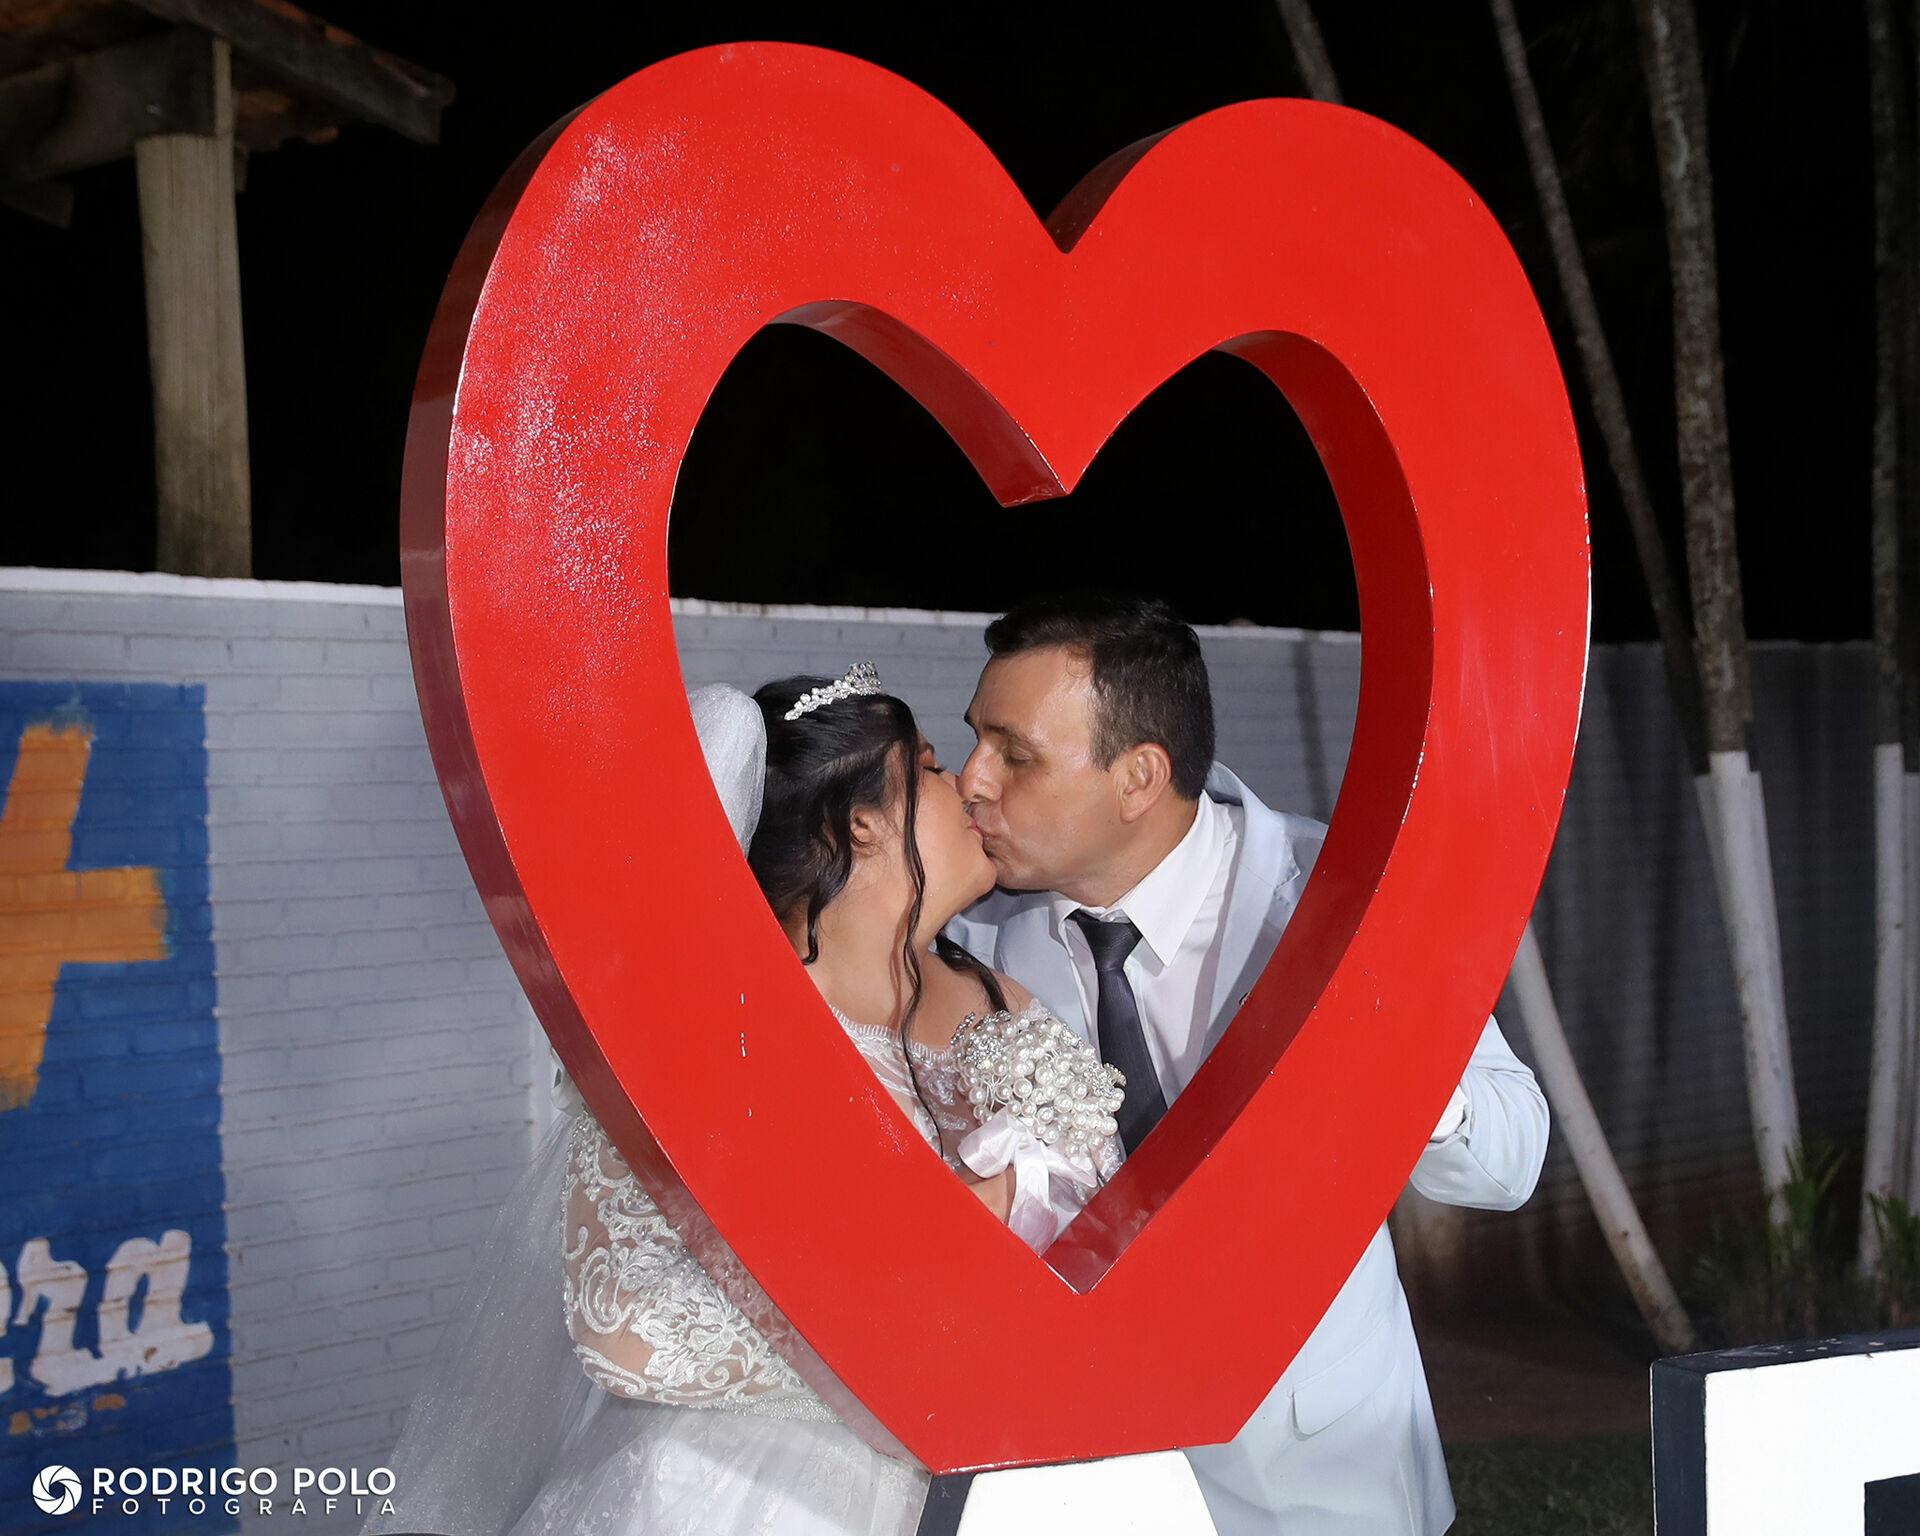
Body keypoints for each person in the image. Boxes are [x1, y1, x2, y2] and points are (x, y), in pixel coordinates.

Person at [370, 670, 1118, 1536]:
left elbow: (1101, 1230)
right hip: (726, 1495)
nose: (970, 790)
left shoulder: (1010, 1009)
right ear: (862, 824)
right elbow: (625, 1320)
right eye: (934, 769)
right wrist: (924, 1307)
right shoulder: (710, 1028)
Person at [947, 593, 1550, 1536]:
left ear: (1139, 777)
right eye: (975, 740)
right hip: (1094, 1483)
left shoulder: (1333, 896)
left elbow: (1512, 1160)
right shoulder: (971, 942)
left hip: (1329, 1477)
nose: (973, 781)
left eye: (1014, 754)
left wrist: (1398, 1078)